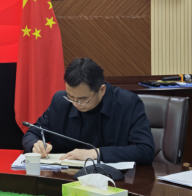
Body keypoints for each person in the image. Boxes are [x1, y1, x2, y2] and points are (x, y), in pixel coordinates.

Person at [22, 58, 155, 165]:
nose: (75, 103)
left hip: (112, 180)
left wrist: (96, 153)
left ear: (102, 90)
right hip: (64, 176)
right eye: (70, 96)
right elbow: (32, 133)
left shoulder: (128, 103)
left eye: (83, 99)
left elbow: (145, 150)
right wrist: (35, 145)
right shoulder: (60, 101)